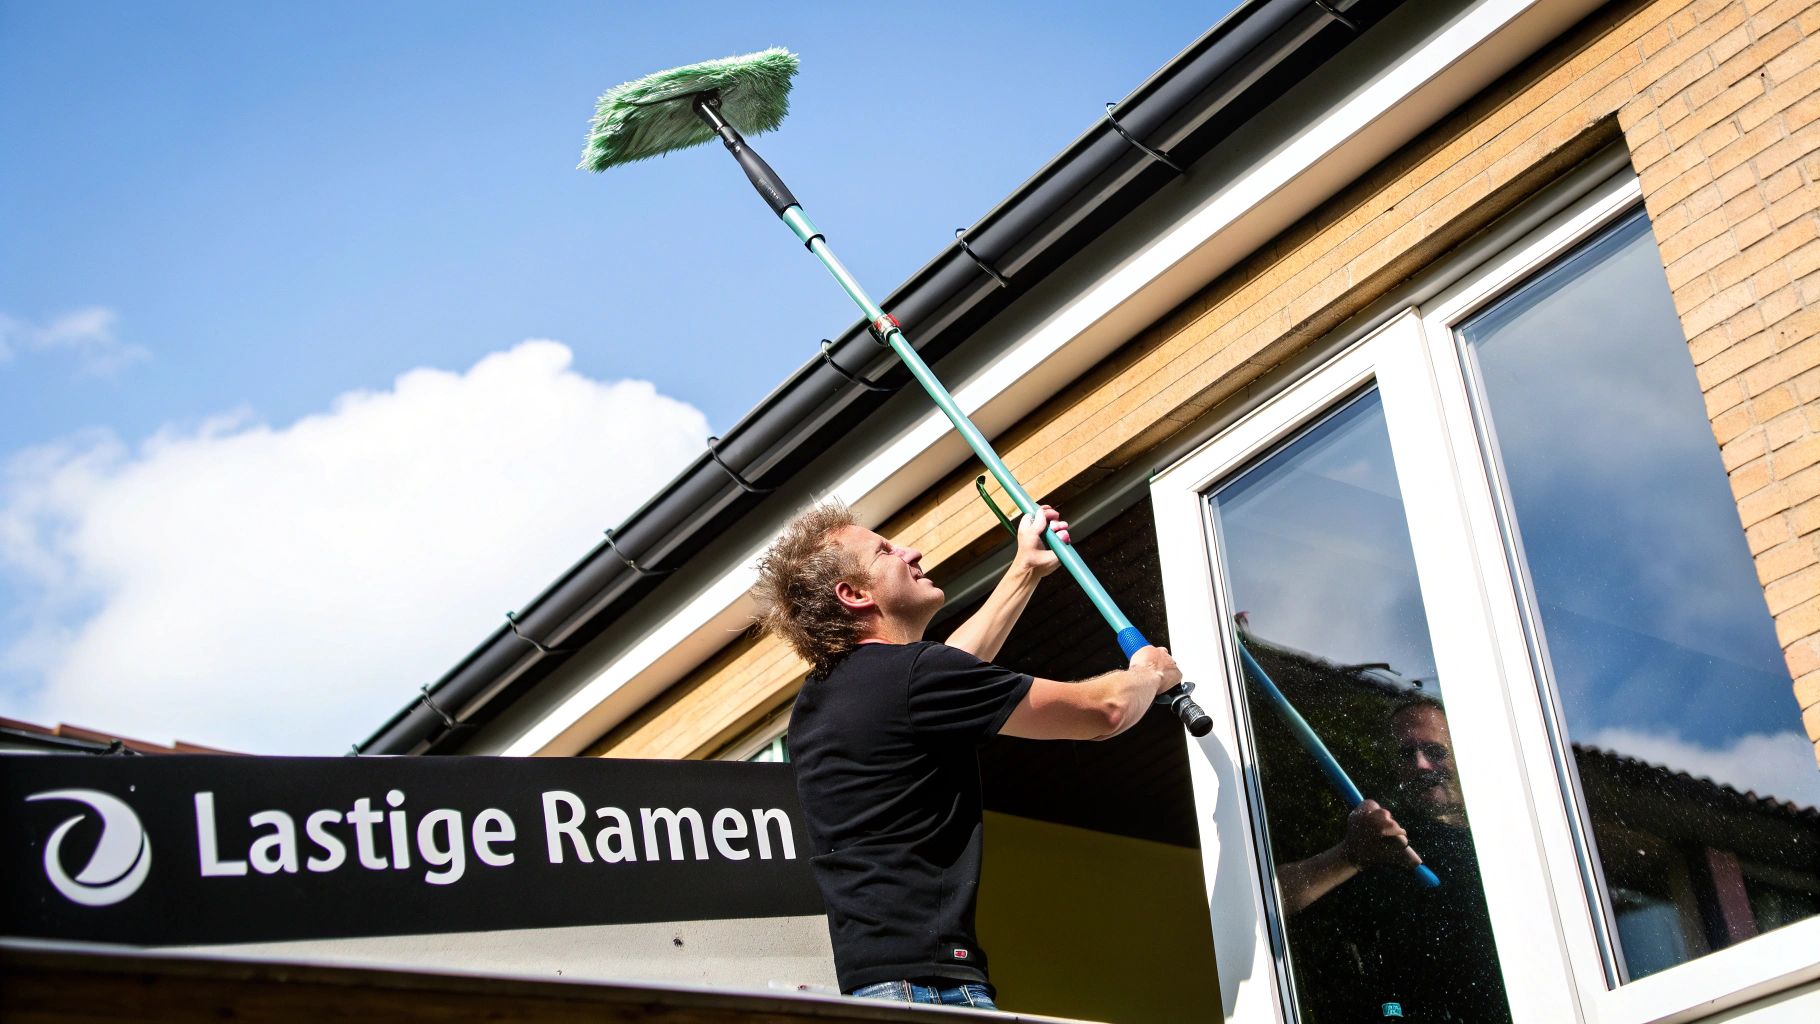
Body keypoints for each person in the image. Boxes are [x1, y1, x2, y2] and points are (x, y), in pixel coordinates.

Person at [751, 501, 1180, 1009]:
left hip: (881, 987)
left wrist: (1024, 569)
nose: (912, 552)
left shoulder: (825, 697)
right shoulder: (911, 679)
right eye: (885, 551)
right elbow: (1106, 712)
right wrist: (1149, 673)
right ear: (855, 594)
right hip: (931, 991)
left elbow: (949, 671)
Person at [1276, 691, 1510, 1023]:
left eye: (1434, 751)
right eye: (1406, 754)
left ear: (1464, 755)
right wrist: (1350, 856)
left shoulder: (1511, 841)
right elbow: (1268, 899)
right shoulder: (1379, 840)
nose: (1421, 765)